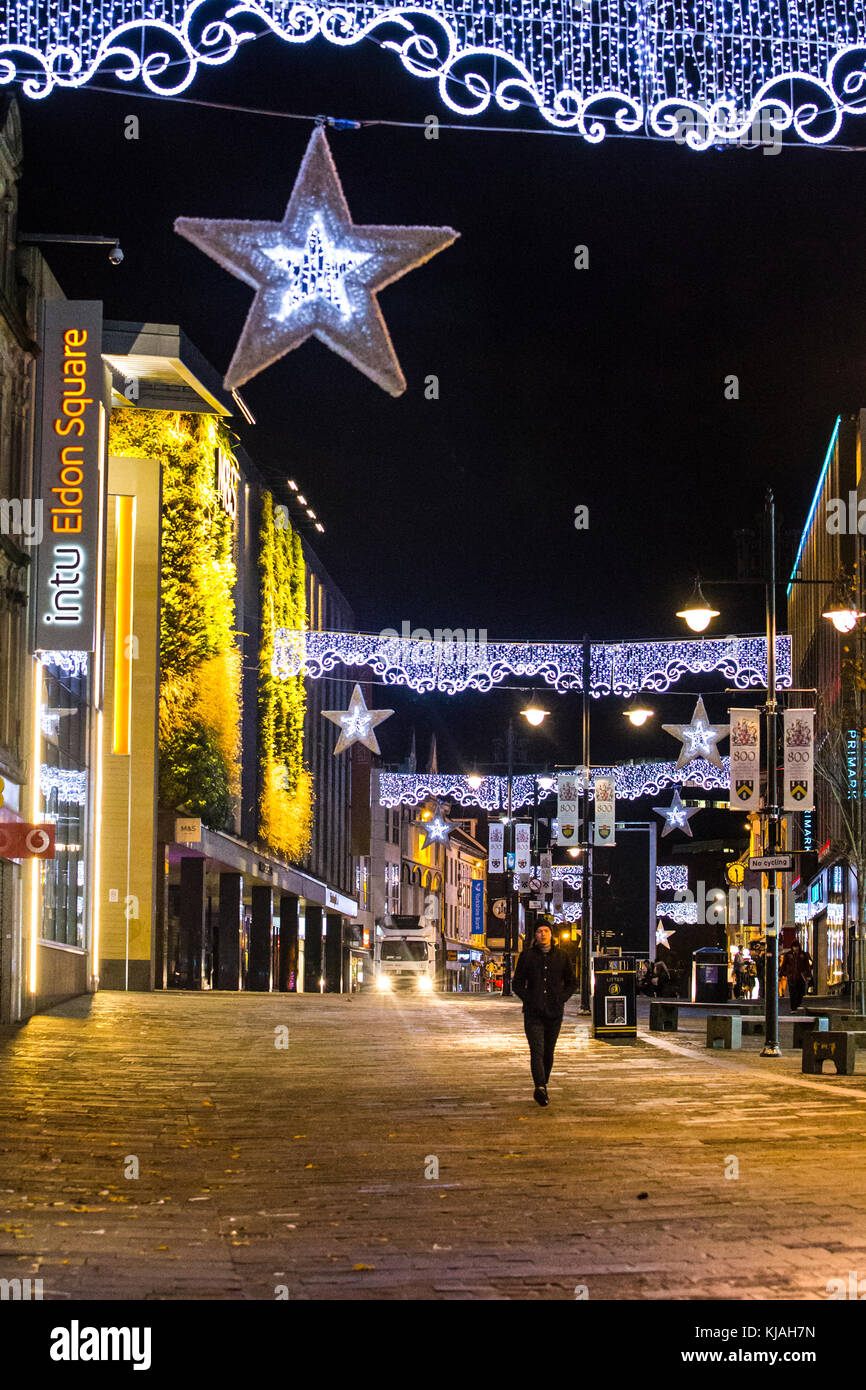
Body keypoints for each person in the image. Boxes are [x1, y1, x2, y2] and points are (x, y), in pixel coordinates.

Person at [512, 921, 577, 1106]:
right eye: (539, 931)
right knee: (537, 1049)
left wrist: (561, 998)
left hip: (554, 1012)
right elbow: (517, 983)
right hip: (533, 1012)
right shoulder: (527, 956)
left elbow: (572, 982)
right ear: (535, 935)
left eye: (546, 931)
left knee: (548, 1050)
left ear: (552, 934)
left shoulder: (562, 956)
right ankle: (539, 1086)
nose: (543, 934)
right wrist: (529, 999)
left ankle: (544, 1082)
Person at [780, 939, 813, 1012]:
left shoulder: (803, 955)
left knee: (801, 991)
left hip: (801, 976)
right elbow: (784, 965)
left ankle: (798, 1004)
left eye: (797, 947)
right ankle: (793, 1007)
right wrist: (781, 974)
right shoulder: (788, 955)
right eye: (794, 947)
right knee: (792, 992)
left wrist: (808, 975)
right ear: (792, 947)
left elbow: (807, 966)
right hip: (791, 976)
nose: (796, 948)